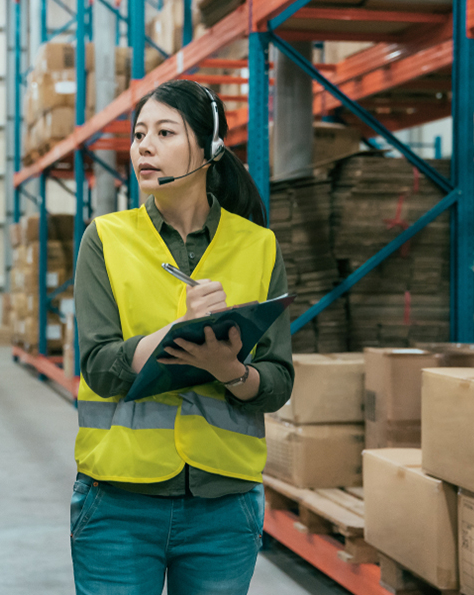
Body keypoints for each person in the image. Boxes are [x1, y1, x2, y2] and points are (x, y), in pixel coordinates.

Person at [70, 80, 294, 594]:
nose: (143, 146)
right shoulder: (105, 239)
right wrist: (173, 336)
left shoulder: (258, 246)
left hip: (224, 505)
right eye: (139, 134)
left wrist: (231, 371)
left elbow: (278, 382)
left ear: (211, 148)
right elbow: (100, 368)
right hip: (120, 502)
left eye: (164, 132)